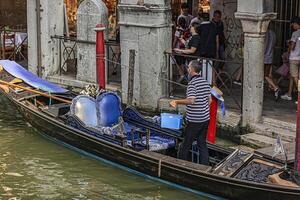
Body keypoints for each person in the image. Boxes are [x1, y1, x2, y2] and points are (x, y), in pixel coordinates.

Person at [170, 60, 211, 165]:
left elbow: (191, 101)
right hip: (206, 119)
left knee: (186, 145)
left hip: (195, 121)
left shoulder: (192, 84)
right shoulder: (205, 82)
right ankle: (205, 166)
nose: (187, 69)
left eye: (188, 67)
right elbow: (209, 101)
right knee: (202, 143)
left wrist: (176, 101)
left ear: (191, 70)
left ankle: (182, 166)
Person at [281, 17, 300, 103]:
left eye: (293, 24)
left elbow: (292, 48)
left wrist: (289, 43)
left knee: (295, 78)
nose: (292, 26)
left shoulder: (295, 33)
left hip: (294, 58)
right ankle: (289, 94)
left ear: (296, 24)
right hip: (299, 57)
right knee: (293, 76)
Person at [264, 28, 280, 100]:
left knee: (265, 75)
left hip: (264, 57)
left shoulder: (264, 33)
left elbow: (264, 46)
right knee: (268, 74)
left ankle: (275, 88)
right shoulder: (273, 33)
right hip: (270, 56)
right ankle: (271, 87)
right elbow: (274, 45)